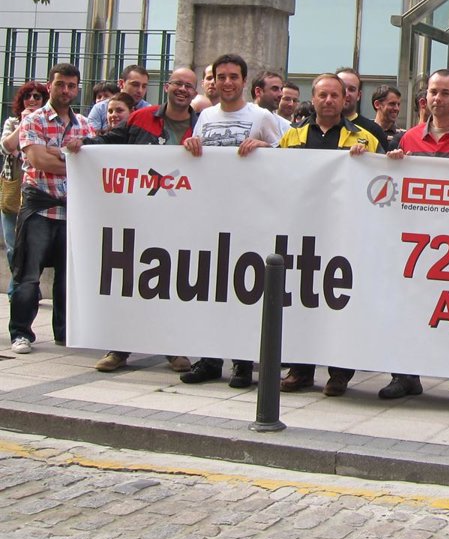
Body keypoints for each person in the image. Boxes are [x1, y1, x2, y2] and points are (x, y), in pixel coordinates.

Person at [66, 66, 200, 374]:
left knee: (172, 283)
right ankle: (119, 348)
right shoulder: (142, 118)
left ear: (195, 92)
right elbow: (113, 141)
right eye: (177, 83)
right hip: (137, 216)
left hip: (180, 220)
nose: (182, 89)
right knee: (131, 281)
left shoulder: (201, 125)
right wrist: (84, 145)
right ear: (167, 87)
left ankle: (174, 347)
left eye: (188, 85)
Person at [178, 54, 289, 388]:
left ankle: (242, 362)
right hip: (212, 215)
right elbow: (198, 156)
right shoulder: (205, 116)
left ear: (244, 81)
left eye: (233, 77)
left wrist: (265, 147)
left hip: (249, 216)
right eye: (221, 76)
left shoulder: (262, 116)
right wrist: (191, 144)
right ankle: (209, 359)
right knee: (211, 289)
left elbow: (287, 155)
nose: (227, 82)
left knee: (245, 291)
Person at [379, 70, 449, 404]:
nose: (437, 98)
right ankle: (404, 376)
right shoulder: (408, 139)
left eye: (444, 93)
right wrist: (393, 163)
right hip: (415, 245)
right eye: (432, 92)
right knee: (409, 309)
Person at [278, 74, 384, 398]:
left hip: (346, 233)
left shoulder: (366, 138)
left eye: (334, 95)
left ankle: (339, 373)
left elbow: (385, 177)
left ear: (344, 99)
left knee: (341, 303)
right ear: (313, 98)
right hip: (304, 233)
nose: (328, 100)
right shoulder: (291, 136)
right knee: (302, 302)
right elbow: (274, 172)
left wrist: (375, 160)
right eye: (322, 95)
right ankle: (300, 370)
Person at [8, 63, 96, 355]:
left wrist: (54, 152)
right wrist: (70, 158)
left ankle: (65, 332)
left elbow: (93, 163)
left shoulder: (84, 125)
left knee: (68, 278)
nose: (66, 90)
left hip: (73, 211)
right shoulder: (33, 120)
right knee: (28, 275)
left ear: (77, 89)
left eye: (71, 85)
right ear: (50, 85)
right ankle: (21, 333)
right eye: (60, 84)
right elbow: (38, 160)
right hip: (40, 208)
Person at [1, 81, 48, 300]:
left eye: (37, 96)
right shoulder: (12, 122)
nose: (32, 100)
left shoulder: (47, 123)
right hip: (13, 189)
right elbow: (6, 147)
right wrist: (24, 123)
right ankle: (19, 289)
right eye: (28, 96)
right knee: (13, 246)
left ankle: (24, 289)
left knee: (31, 247)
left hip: (37, 192)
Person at [86, 64, 150, 129]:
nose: (140, 90)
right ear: (121, 83)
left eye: (144, 86)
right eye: (135, 85)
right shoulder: (100, 108)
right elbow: (92, 134)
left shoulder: (149, 112)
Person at [335, 67, 386, 146]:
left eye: (351, 89)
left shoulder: (374, 130)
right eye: (342, 88)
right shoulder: (318, 128)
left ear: (359, 95)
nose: (346, 93)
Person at [371, 85, 404, 153]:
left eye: (398, 104)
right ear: (377, 104)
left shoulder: (404, 136)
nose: (397, 108)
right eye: (392, 104)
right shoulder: (364, 131)